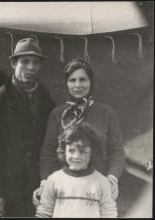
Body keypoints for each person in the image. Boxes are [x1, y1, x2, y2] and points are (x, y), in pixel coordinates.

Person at [34, 58, 125, 206]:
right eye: (72, 80)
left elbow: (117, 151)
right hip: (65, 189)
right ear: (66, 83)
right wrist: (46, 182)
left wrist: (112, 177)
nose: (77, 85)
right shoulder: (57, 114)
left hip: (98, 188)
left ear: (91, 82)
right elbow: (48, 153)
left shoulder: (106, 112)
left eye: (83, 80)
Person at [0, 38, 55, 217]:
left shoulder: (47, 101)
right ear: (13, 63)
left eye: (36, 62)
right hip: (8, 188)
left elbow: (50, 148)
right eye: (25, 61)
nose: (31, 67)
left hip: (37, 187)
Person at [35, 122, 118, 218]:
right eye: (71, 151)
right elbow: (44, 213)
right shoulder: (54, 180)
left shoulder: (101, 182)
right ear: (64, 150)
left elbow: (109, 215)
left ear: (92, 153)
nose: (76, 156)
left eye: (83, 151)